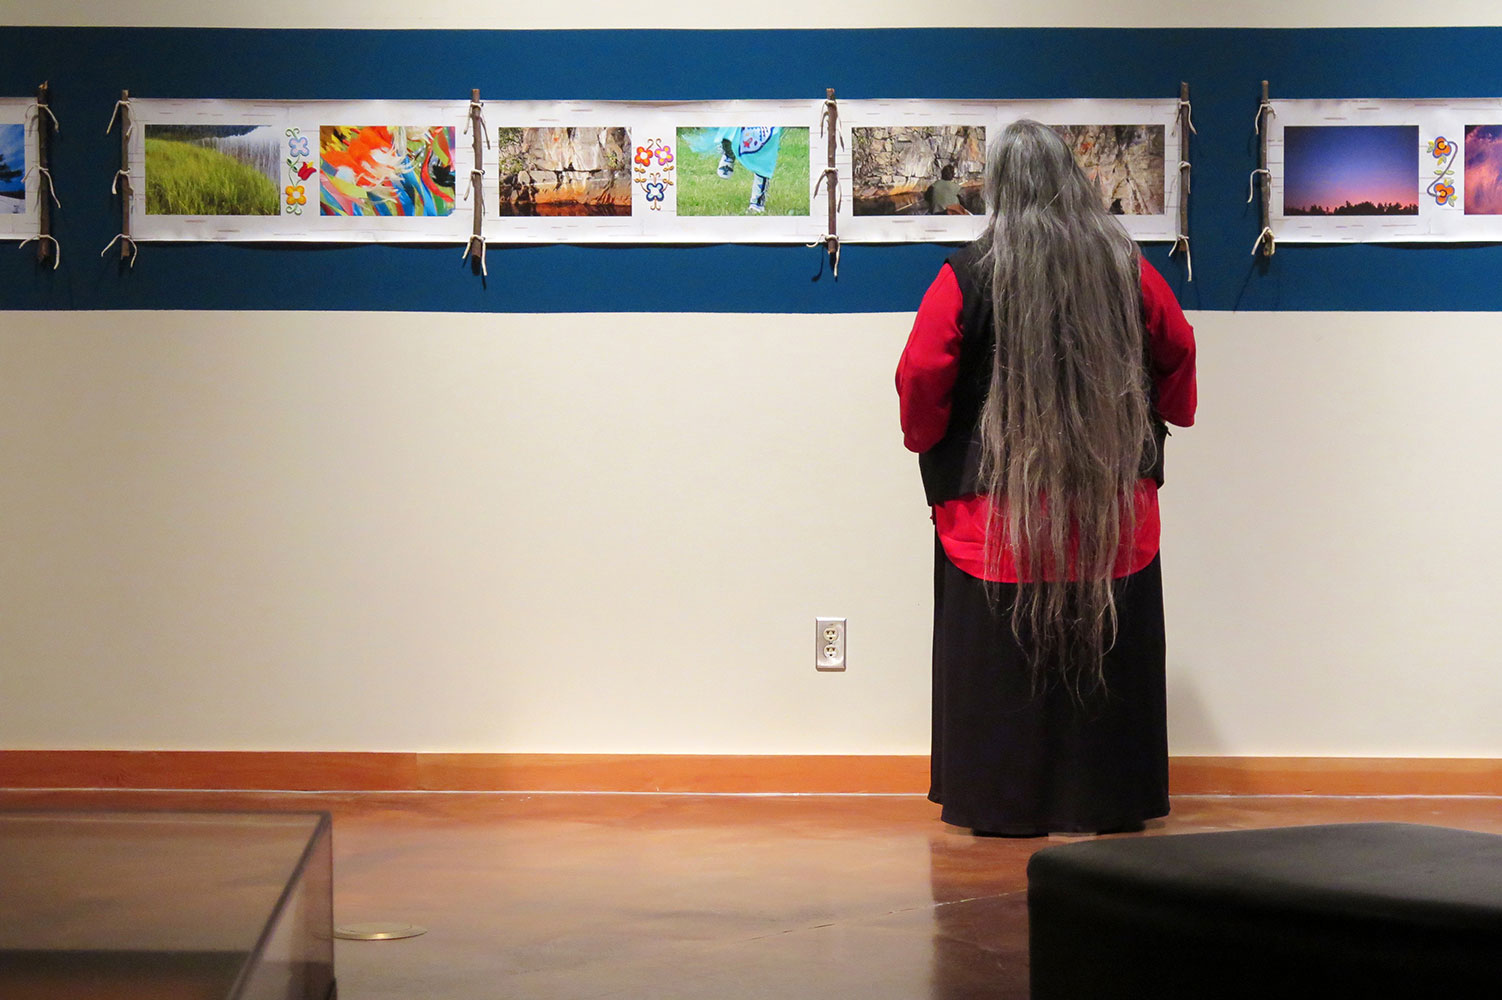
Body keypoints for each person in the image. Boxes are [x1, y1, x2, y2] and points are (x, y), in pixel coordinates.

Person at [895, 119, 1196, 837]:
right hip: (1109, 514)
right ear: (1073, 179)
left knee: (1000, 669)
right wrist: (1169, 414)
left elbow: (921, 376)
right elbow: (1178, 348)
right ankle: (1106, 799)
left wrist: (927, 441)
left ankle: (1002, 803)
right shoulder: (1126, 267)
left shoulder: (967, 274)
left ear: (999, 187)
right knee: (1106, 663)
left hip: (995, 521)